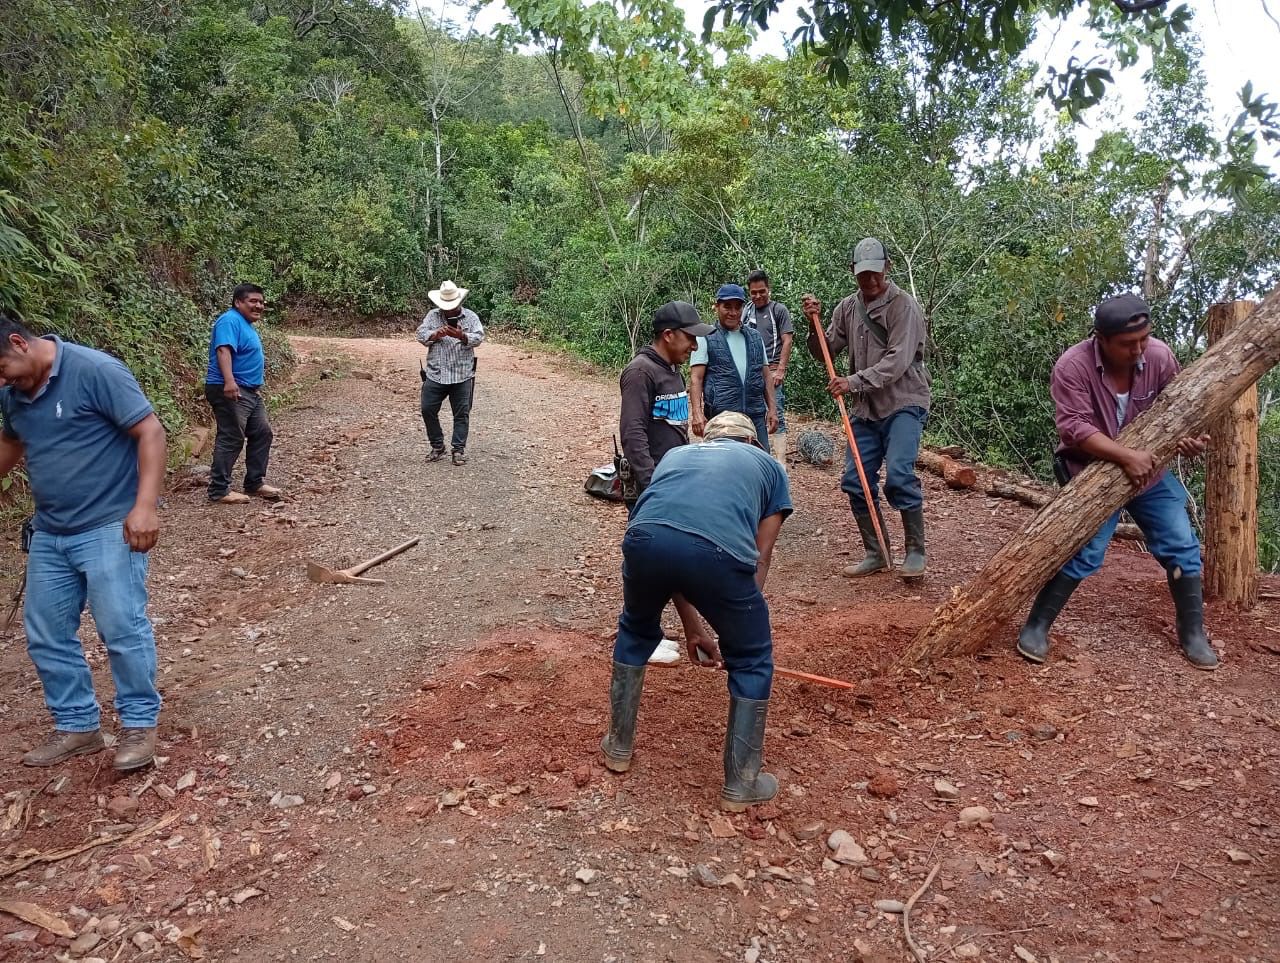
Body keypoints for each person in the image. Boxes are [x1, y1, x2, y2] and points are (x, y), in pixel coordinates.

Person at [600, 412, 792, 812]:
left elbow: (673, 545)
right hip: (715, 552)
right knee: (754, 661)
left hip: (643, 538)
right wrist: (736, 631)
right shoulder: (769, 468)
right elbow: (760, 555)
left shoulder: (677, 454)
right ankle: (741, 783)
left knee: (635, 631)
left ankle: (618, 747)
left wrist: (695, 626)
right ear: (751, 442)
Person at [0, 311, 166, 770]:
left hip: (109, 527)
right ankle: (78, 726)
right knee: (47, 634)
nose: (1, 380)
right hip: (51, 532)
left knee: (121, 628)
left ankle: (138, 725)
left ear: (19, 342)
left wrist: (144, 507)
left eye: (0, 368)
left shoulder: (95, 370)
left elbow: (150, 431)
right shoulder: (14, 394)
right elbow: (13, 442)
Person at [1016, 293, 1217, 670]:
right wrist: (1126, 456)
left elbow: (1178, 407)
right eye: (1128, 344)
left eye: (1144, 339)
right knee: (1086, 550)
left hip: (1150, 473)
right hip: (1093, 473)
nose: (1139, 350)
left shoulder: (1158, 355)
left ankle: (1192, 632)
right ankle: (1037, 625)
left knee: (1181, 542)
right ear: (1100, 339)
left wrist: (1191, 437)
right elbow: (1074, 429)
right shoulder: (1072, 367)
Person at [802, 238, 931, 579]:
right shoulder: (846, 308)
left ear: (887, 267)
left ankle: (915, 552)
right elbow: (825, 352)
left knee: (900, 473)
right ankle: (877, 552)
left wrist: (853, 381)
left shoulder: (903, 306)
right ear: (853, 272)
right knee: (855, 481)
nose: (870, 281)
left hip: (903, 402)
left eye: (876, 273)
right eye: (864, 275)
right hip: (865, 409)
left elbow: (898, 361)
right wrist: (812, 324)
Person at [618, 301, 712, 504]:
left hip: (674, 479)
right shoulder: (640, 372)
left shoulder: (673, 369)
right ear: (668, 335)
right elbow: (633, 434)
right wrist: (653, 487)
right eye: (690, 337)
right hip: (655, 486)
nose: (695, 346)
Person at [205, 283, 281, 505]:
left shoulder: (246, 324)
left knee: (262, 432)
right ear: (238, 302)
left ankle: (255, 482)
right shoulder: (229, 320)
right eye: (253, 301)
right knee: (231, 436)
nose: (259, 305)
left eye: (261, 302)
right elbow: (223, 350)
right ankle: (219, 490)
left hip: (249, 391)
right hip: (229, 388)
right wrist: (229, 381)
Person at [690, 284, 777, 448]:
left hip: (755, 416)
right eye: (727, 307)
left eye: (738, 307)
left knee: (760, 465)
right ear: (717, 306)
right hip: (722, 419)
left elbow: (766, 375)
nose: (733, 312)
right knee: (724, 467)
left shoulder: (755, 337)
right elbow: (696, 377)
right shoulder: (706, 337)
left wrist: (773, 409)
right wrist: (697, 413)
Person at [416, 280, 484, 466]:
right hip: (436, 373)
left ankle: (458, 449)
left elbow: (479, 337)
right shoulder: (432, 316)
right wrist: (435, 334)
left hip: (462, 374)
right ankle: (438, 446)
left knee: (461, 413)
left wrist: (462, 336)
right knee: (427, 409)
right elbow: (420, 334)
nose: (449, 310)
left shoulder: (470, 317)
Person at [744, 270, 795, 467]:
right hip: (750, 371)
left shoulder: (778, 310)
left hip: (772, 369)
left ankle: (780, 464)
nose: (758, 296)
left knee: (776, 414)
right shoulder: (746, 311)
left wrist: (781, 369)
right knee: (752, 413)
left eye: (761, 291)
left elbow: (787, 339)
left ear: (769, 290)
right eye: (753, 292)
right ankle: (756, 459)